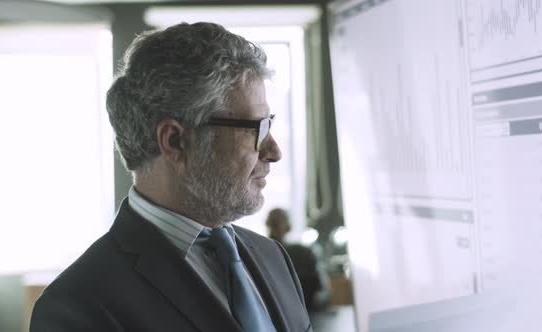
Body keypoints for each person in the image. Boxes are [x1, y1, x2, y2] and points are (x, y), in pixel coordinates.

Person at [30, 22, 312, 332]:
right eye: (256, 129)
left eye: (268, 124)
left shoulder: (274, 259)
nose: (274, 151)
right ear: (175, 141)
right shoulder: (77, 306)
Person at [265, 208, 330, 312]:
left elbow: (319, 291)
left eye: (275, 224)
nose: (272, 228)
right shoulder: (304, 252)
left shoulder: (303, 252)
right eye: (272, 224)